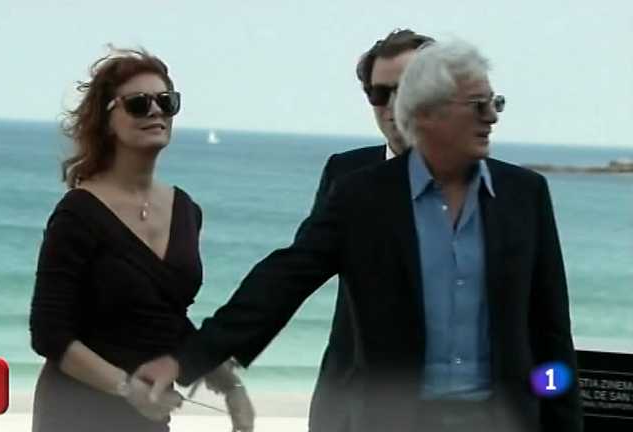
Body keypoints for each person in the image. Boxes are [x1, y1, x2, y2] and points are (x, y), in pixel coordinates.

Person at [135, 40, 583, 431]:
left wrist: (562, 420)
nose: (492, 118)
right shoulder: (361, 196)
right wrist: (188, 359)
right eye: (477, 106)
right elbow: (283, 280)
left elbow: (551, 332)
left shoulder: (524, 194)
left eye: (494, 103)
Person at [29, 48, 253, 432]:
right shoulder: (78, 214)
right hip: (75, 412)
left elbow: (167, 320)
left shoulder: (185, 210)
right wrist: (127, 389)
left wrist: (230, 385)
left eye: (166, 102)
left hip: (149, 414)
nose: (155, 112)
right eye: (138, 103)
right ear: (106, 120)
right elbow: (50, 334)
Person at [295, 28, 433, 432]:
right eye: (379, 94)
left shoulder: (500, 187)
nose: (392, 106)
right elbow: (298, 269)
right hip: (348, 399)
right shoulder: (346, 171)